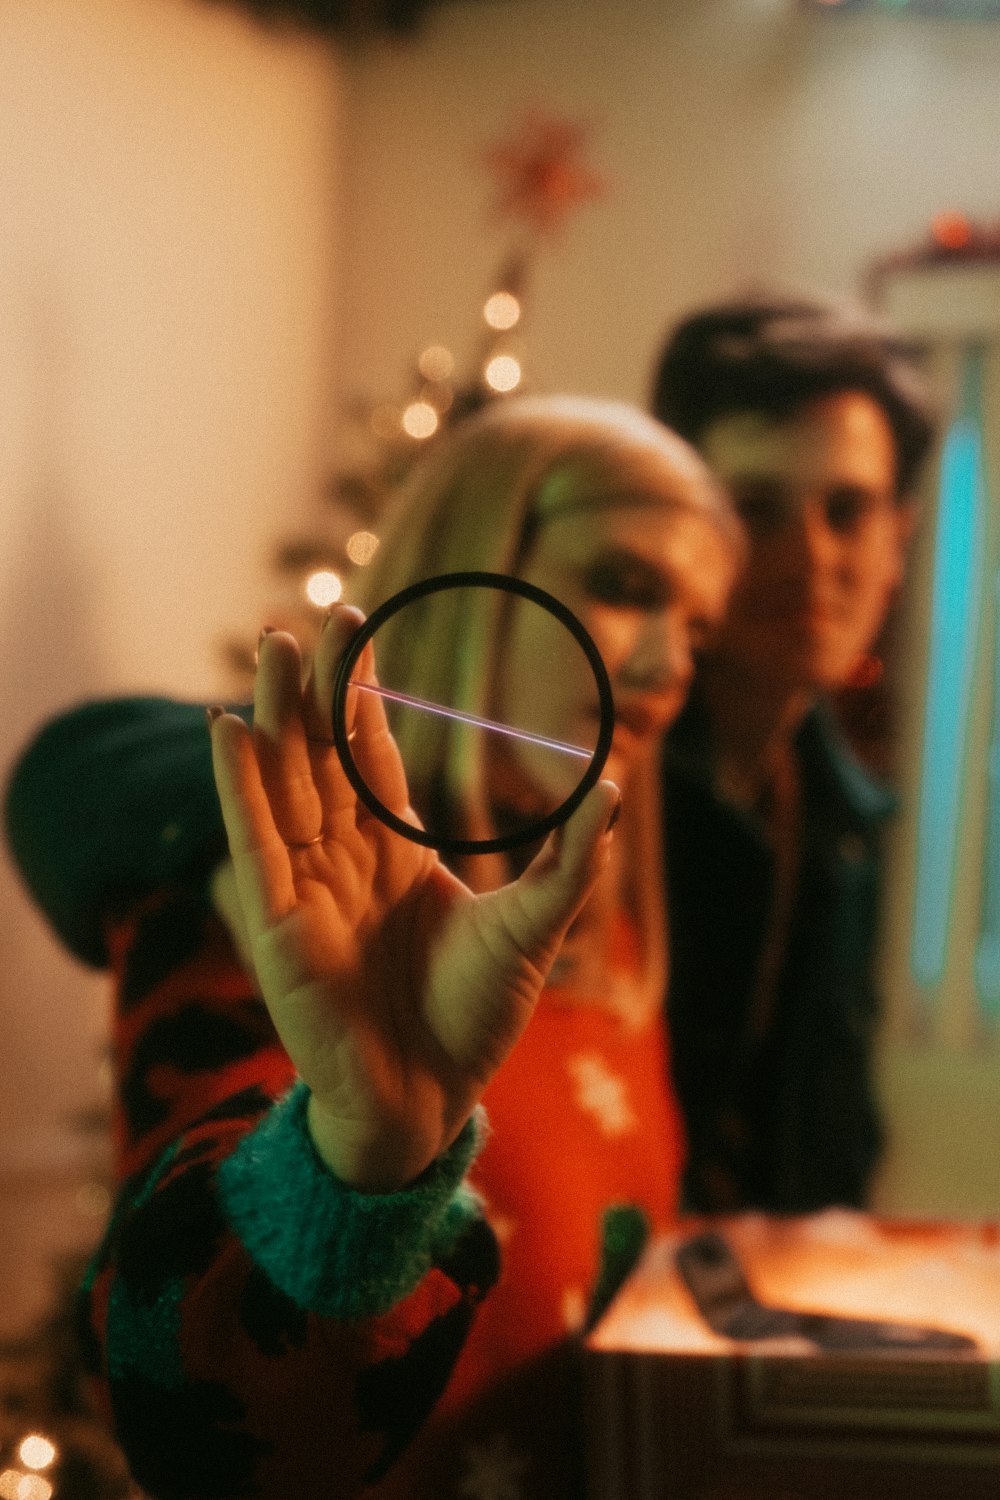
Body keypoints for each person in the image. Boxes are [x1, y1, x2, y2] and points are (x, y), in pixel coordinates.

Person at [5, 395, 739, 1500]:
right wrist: (360, 1156)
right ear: (473, 568)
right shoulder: (270, 920)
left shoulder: (601, 945)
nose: (668, 664)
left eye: (697, 628)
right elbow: (197, 1411)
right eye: (626, 587)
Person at [649, 292, 938, 1215]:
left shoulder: (850, 818)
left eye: (848, 511)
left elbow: (829, 1139)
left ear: (900, 540)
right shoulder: (596, 778)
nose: (811, 558)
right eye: (758, 508)